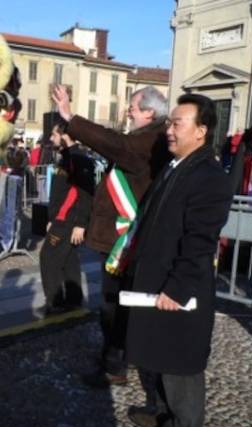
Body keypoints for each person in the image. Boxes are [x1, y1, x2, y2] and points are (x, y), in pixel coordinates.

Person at [124, 94, 232, 427]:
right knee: (160, 358)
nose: (168, 130)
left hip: (180, 292)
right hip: (160, 283)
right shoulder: (177, 166)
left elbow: (200, 241)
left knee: (180, 367)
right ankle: (167, 421)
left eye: (176, 123)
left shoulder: (209, 176)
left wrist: (178, 287)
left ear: (201, 131)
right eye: (168, 122)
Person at [52, 84, 171, 388]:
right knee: (114, 303)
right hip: (119, 234)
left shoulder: (151, 139)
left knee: (113, 305)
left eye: (133, 106)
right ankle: (114, 356)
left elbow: (117, 146)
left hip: (125, 237)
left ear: (149, 112)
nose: (128, 110)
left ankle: (115, 365)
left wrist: (70, 117)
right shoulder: (146, 135)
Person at [39, 123, 94, 313]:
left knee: (48, 257)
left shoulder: (79, 158)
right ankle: (73, 299)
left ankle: (54, 302)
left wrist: (80, 224)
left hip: (67, 221)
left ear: (65, 136)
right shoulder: (66, 158)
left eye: (54, 135)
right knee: (69, 258)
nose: (51, 138)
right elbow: (60, 193)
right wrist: (51, 217)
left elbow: (85, 193)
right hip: (61, 219)